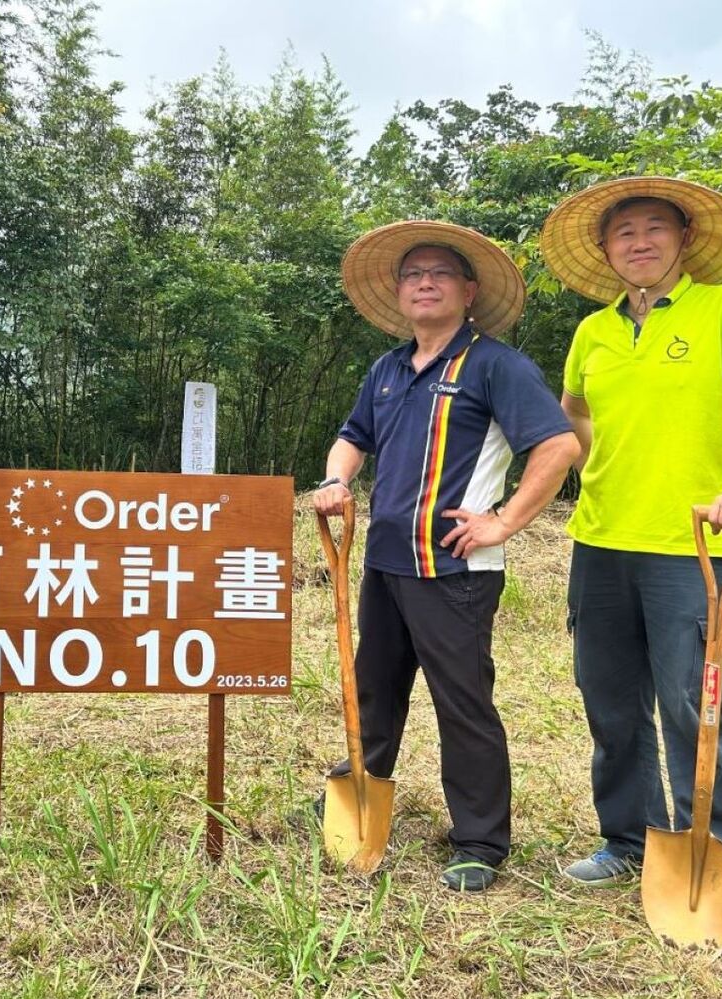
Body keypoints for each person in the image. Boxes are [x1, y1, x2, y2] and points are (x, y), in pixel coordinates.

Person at [542, 177, 722, 954]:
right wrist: (577, 469)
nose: (639, 241)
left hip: (695, 547)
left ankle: (718, 873)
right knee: (609, 700)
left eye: (655, 228)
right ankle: (626, 839)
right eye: (624, 232)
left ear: (683, 240)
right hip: (602, 539)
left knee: (696, 707)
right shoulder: (593, 333)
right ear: (607, 250)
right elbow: (574, 416)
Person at [312, 220, 580, 890]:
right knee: (372, 691)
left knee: (462, 702)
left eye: (438, 273)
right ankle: (356, 796)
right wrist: (337, 478)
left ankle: (480, 840)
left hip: (455, 569)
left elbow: (558, 446)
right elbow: (352, 436)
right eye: (412, 274)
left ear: (468, 290)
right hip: (385, 563)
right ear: (400, 293)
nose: (424, 282)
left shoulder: (495, 365)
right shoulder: (389, 368)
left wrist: (505, 520)